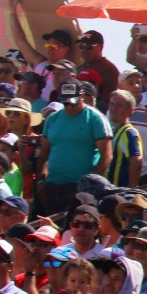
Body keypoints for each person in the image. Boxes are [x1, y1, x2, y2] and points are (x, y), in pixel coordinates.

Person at [37, 79, 111, 215]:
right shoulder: (52, 119)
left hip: (80, 187)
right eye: (65, 103)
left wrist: (91, 185)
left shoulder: (95, 119)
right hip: (53, 186)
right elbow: (44, 154)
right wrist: (40, 181)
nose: (69, 107)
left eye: (72, 102)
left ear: (82, 96)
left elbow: (106, 155)